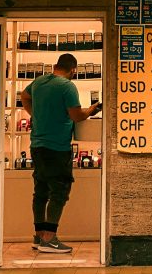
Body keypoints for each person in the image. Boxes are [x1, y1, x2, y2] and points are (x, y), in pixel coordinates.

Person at [20, 52, 101, 253]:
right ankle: (50, 238)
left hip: (37, 145)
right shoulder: (67, 87)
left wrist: (35, 114)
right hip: (57, 148)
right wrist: (91, 110)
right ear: (73, 69)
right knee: (59, 192)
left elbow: (24, 96)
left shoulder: (38, 82)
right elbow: (76, 116)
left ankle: (39, 236)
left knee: (40, 191)